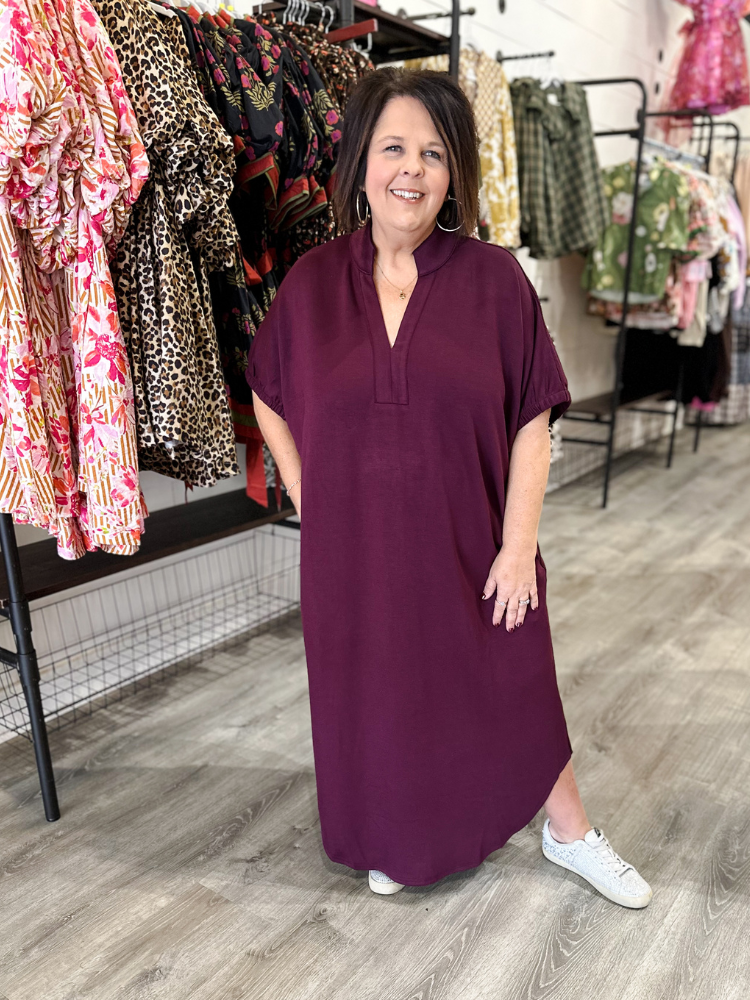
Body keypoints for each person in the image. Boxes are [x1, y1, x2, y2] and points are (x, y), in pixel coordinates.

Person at [246, 67, 652, 909]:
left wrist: (516, 546)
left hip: (475, 535)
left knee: (512, 670)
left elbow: (533, 421)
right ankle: (398, 831)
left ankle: (569, 830)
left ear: (455, 170)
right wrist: (307, 493)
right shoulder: (313, 284)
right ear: (360, 161)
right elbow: (267, 392)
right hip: (355, 549)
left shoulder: (494, 280)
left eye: (433, 153)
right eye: (394, 147)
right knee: (382, 687)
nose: (413, 169)